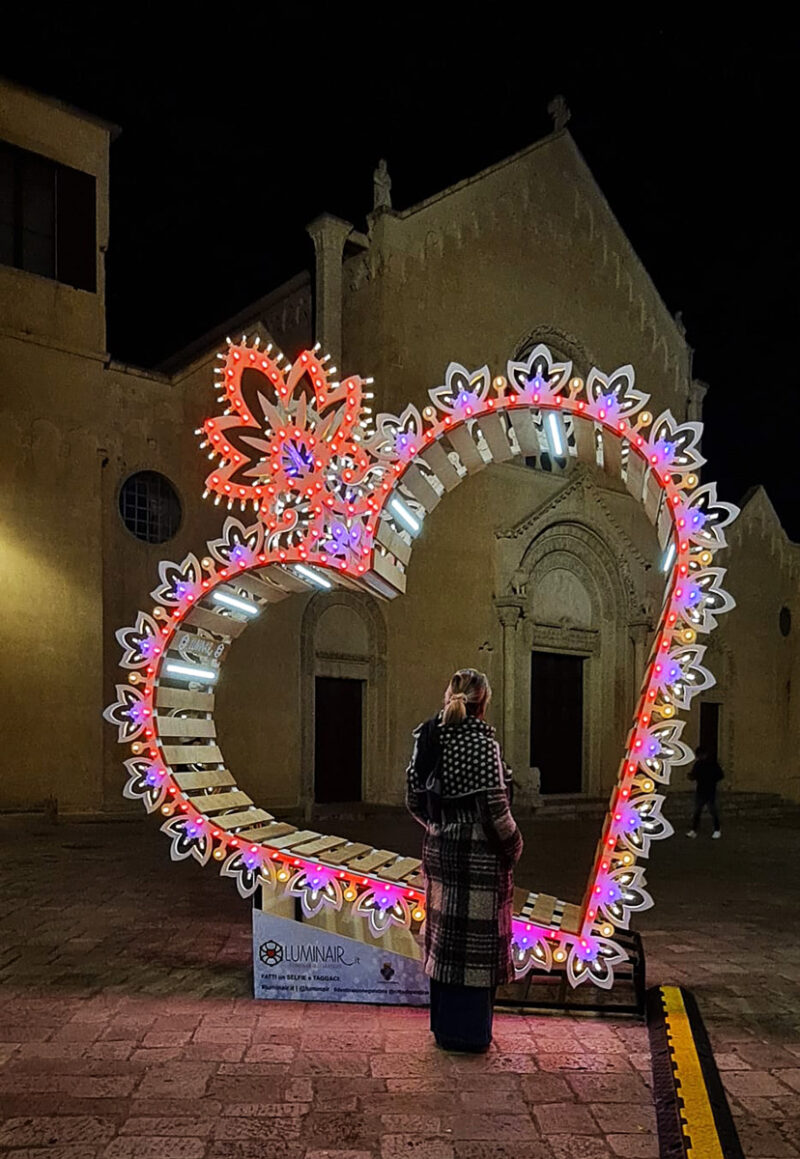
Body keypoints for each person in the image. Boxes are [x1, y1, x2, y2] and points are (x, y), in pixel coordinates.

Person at [405, 668, 523, 1053]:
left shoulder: (428, 734)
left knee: (444, 945)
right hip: (479, 860)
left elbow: (413, 798)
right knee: (473, 950)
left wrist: (441, 826)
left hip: (441, 853)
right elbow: (494, 809)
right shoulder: (481, 741)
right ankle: (470, 1034)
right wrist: (513, 846)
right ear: (483, 701)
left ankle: (444, 1028)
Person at [686, 746, 724, 839]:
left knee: (712, 811)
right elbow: (694, 775)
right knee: (697, 811)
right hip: (701, 790)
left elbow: (720, 775)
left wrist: (710, 779)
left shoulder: (712, 764)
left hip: (710, 790)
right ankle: (694, 830)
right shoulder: (698, 764)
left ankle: (717, 829)